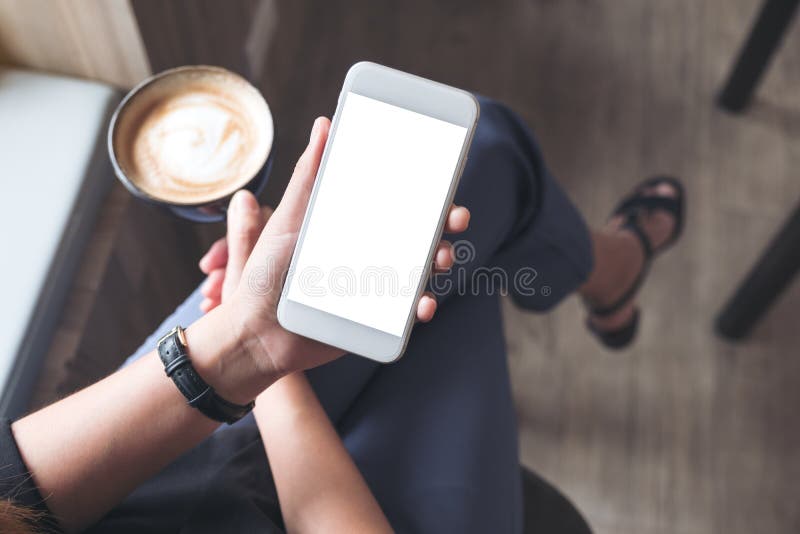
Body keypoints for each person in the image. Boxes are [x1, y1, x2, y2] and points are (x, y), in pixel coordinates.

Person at [0, 96, 684, 533]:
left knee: (478, 155)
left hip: (116, 488)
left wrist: (240, 338)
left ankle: (608, 275)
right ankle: (614, 273)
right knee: (453, 260)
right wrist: (267, 372)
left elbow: (8, 478)